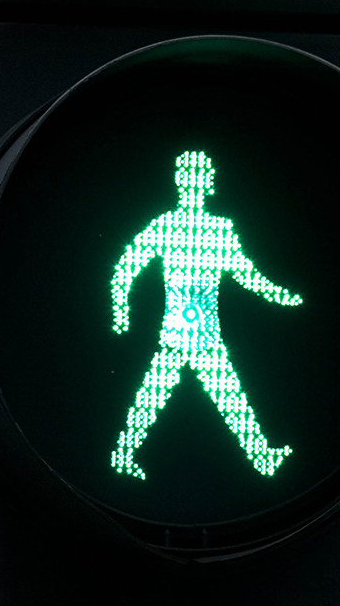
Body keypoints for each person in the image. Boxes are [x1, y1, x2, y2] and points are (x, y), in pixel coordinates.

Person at [110, 150, 303, 481]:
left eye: (204, 175)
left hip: (197, 335)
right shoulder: (170, 226)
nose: (203, 181)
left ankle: (262, 458)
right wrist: (120, 312)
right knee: (160, 398)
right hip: (182, 335)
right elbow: (126, 268)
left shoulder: (214, 229)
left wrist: (283, 297)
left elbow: (248, 276)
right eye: (201, 175)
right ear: (191, 181)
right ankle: (124, 455)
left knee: (219, 399)